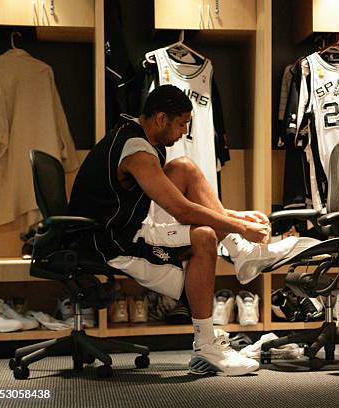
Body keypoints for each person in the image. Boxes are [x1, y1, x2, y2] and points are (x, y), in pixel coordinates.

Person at [69, 84, 298, 376]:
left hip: (127, 222)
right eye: (181, 124)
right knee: (203, 237)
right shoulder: (137, 151)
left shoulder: (135, 135)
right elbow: (181, 209)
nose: (183, 132)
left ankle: (241, 252)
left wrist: (234, 216)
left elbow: (173, 199)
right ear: (161, 118)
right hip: (110, 240)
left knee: (186, 167)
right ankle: (206, 344)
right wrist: (240, 225)